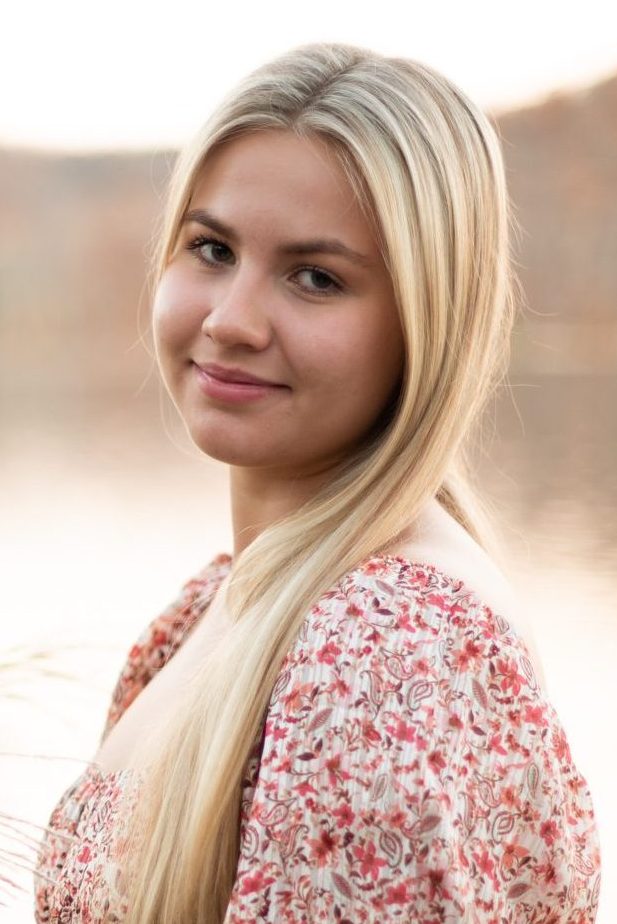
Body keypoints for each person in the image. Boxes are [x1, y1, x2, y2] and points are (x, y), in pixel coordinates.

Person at [34, 41, 601, 923]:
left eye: (315, 278)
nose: (230, 321)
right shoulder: (221, 604)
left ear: (426, 318)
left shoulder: (383, 649)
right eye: (211, 248)